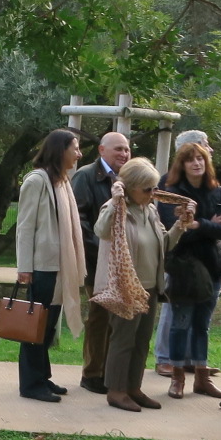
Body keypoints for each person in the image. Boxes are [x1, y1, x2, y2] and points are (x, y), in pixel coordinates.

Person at [94, 157, 190, 412]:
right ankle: (116, 391)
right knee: (123, 340)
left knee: (142, 340)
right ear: (130, 187)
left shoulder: (149, 210)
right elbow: (101, 231)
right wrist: (115, 202)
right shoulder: (116, 208)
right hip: (126, 286)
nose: (152, 194)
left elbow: (164, 245)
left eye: (154, 188)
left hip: (150, 286)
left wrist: (180, 226)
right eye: (147, 189)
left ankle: (133, 387)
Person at [10, 129, 84, 402]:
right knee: (35, 325)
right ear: (59, 149)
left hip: (59, 264)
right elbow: (25, 227)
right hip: (42, 265)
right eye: (75, 148)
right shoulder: (37, 181)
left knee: (49, 324)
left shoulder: (61, 182)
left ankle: (42, 377)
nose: (79, 154)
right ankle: (30, 384)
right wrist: (24, 268)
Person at [158, 140, 221, 400]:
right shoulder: (171, 193)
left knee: (202, 324)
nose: (197, 163)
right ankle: (177, 377)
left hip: (213, 267)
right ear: (182, 164)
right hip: (184, 268)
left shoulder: (217, 191)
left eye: (200, 158)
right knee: (181, 323)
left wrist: (199, 225)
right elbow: (174, 233)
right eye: (190, 159)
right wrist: (208, 226)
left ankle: (202, 377)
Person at [71, 131, 131, 394]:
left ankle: (110, 370)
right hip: (96, 261)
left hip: (121, 262)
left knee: (116, 318)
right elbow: (79, 219)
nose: (124, 154)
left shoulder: (128, 178)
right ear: (101, 150)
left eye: (127, 150)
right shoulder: (86, 176)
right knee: (99, 317)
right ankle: (92, 372)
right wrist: (101, 248)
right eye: (118, 149)